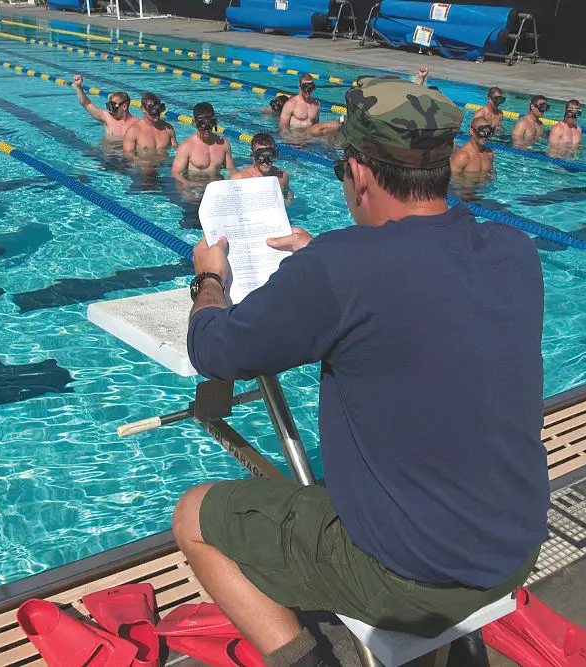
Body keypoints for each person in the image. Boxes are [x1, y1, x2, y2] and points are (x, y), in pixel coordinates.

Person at [175, 76, 548, 667]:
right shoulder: (514, 250)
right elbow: (421, 296)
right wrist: (326, 259)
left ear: (361, 172)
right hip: (516, 546)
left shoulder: (341, 268)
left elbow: (216, 350)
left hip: (417, 577)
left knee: (193, 514)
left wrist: (209, 278)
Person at [172, 103, 236, 197]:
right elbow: (175, 172)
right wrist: (186, 184)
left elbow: (231, 170)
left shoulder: (224, 144)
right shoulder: (187, 146)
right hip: (194, 191)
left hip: (216, 191)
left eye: (210, 124)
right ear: (194, 123)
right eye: (202, 124)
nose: (206, 129)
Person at [72, 74, 138, 141]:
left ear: (124, 106)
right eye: (109, 105)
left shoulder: (137, 124)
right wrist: (78, 86)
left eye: (113, 105)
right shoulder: (107, 118)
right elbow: (87, 104)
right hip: (105, 151)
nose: (110, 109)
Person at [231, 133, 290, 197]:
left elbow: (287, 192)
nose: (266, 161)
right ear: (252, 155)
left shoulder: (282, 176)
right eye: (261, 156)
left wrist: (288, 199)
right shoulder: (239, 179)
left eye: (270, 156)